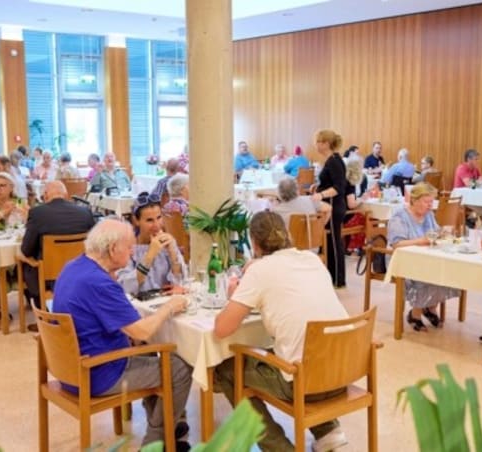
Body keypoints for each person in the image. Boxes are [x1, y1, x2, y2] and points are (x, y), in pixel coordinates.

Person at [213, 211, 350, 452]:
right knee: (299, 349)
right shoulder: (312, 259)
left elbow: (222, 328)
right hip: (344, 370)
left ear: (254, 243)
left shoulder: (259, 271)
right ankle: (328, 431)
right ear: (287, 234)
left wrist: (234, 296)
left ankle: (279, 448)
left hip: (303, 381)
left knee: (226, 368)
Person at [52, 219, 192, 448]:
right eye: (129, 248)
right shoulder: (99, 283)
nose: (131, 252)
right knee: (181, 367)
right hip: (99, 374)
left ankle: (167, 425)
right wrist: (170, 306)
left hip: (70, 371)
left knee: (150, 354)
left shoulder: (73, 267)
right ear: (112, 249)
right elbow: (142, 329)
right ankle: (156, 440)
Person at [388, 183, 460, 331]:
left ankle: (430, 308)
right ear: (414, 200)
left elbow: (435, 232)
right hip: (401, 259)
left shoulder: (429, 215)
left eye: (431, 202)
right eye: (427, 202)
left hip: (425, 256)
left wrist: (444, 233)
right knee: (426, 273)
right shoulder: (400, 215)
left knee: (446, 270)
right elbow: (396, 244)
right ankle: (415, 314)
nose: (430, 206)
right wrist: (420, 241)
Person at [19, 181, 95, 310]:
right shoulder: (85, 212)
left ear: (45, 195)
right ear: (66, 195)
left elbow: (26, 250)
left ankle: (42, 310)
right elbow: (95, 245)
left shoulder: (37, 213)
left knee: (24, 263)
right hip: (80, 271)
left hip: (48, 276)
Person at [117, 194, 186, 295]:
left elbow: (180, 282)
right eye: (149, 220)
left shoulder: (168, 242)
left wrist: (173, 254)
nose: (157, 225)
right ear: (136, 221)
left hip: (165, 299)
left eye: (159, 218)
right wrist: (150, 255)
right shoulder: (127, 247)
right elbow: (125, 287)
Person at [312, 129, 348, 288]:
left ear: (326, 144)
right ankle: (330, 276)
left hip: (334, 206)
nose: (317, 145)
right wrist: (318, 187)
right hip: (330, 205)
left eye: (319, 142)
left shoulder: (334, 161)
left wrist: (321, 195)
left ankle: (338, 280)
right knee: (328, 241)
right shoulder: (330, 160)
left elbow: (339, 187)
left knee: (334, 242)